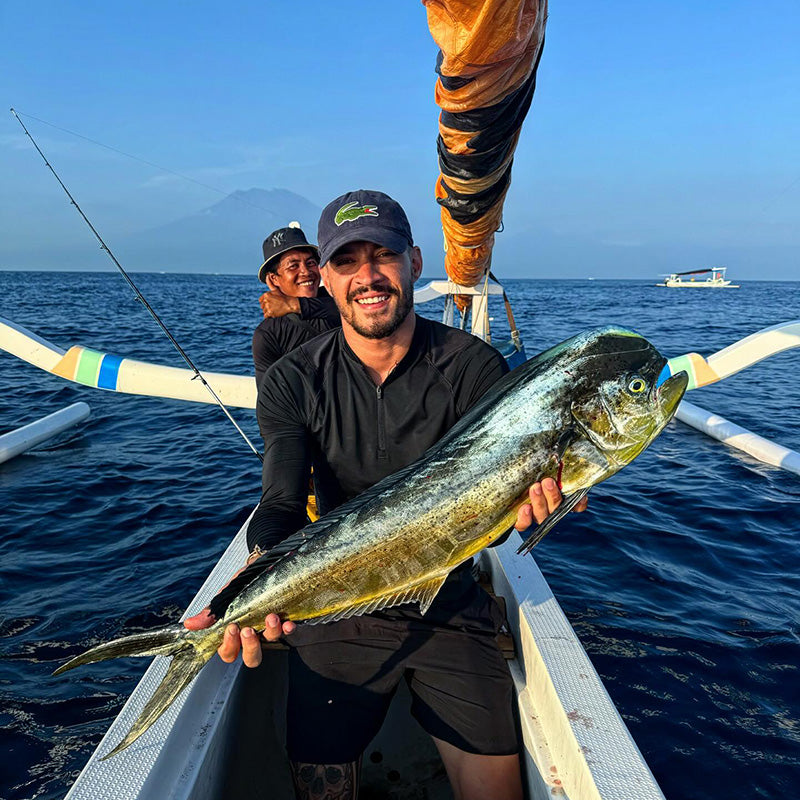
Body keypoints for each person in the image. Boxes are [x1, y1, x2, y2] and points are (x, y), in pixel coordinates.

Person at [187, 190, 587, 800]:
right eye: (347, 261)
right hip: (334, 604)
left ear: (416, 262)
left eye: (385, 255)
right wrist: (257, 570)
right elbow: (282, 503)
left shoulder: (474, 366)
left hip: (450, 602)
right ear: (324, 278)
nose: (368, 277)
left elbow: (501, 504)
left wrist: (541, 505)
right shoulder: (294, 379)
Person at [252, 222, 340, 387]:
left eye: (311, 263)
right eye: (293, 266)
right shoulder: (268, 333)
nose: (306, 272)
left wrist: (295, 305)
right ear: (273, 279)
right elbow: (270, 398)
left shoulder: (338, 300)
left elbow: (353, 310)